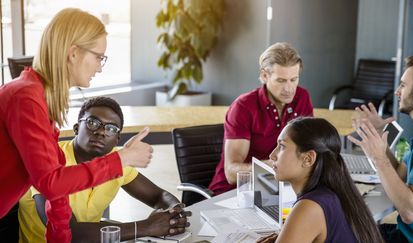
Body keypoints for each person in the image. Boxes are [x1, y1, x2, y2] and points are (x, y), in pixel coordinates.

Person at [0, 8, 157, 242]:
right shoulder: (25, 98)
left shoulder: (43, 100)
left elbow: (58, 194)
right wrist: (122, 158)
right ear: (73, 53)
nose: (100, 67)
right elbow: (51, 183)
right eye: (98, 57)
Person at [18, 97, 191, 242]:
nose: (101, 132)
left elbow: (158, 196)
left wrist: (174, 212)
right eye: (93, 123)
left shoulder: (118, 161)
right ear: (77, 128)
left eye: (111, 128)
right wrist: (145, 227)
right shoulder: (48, 160)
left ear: (117, 139)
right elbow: (69, 233)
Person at [209, 42, 313, 195]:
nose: (289, 88)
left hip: (276, 189)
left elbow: (309, 146)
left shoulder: (302, 97)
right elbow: (231, 172)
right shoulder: (243, 107)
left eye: (294, 79)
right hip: (234, 192)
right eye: (281, 80)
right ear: (265, 76)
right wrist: (271, 166)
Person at [257, 117, 383, 243]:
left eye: (282, 146)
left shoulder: (309, 207)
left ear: (308, 159)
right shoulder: (334, 193)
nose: (272, 155)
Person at [348, 56, 413, 243]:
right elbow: (399, 177)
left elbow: (410, 212)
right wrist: (379, 137)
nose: (397, 92)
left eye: (402, 85)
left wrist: (378, 158)